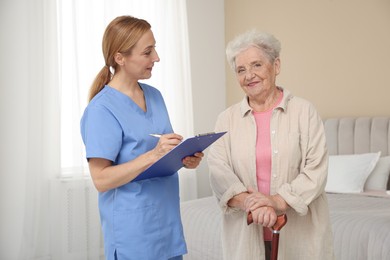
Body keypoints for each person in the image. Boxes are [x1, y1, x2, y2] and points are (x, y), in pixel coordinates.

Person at [80, 15, 203, 260]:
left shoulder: (155, 96)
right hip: (133, 231)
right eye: (148, 52)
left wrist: (185, 157)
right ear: (120, 58)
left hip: (166, 222)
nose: (156, 57)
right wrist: (154, 154)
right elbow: (101, 180)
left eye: (154, 49)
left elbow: (162, 154)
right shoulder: (101, 110)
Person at [207, 30, 334, 260]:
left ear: (276, 65)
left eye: (257, 65)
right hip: (245, 235)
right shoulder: (226, 119)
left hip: (300, 236)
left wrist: (276, 202)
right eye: (241, 70)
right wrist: (253, 205)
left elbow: (316, 172)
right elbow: (219, 172)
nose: (249, 75)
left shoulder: (304, 112)